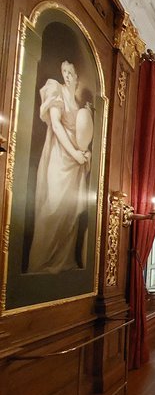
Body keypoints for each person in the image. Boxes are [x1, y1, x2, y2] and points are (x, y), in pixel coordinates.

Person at [28, 60, 93, 274]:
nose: (66, 75)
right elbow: (56, 125)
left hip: (75, 164)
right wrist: (74, 153)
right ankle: (39, 264)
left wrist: (85, 153)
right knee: (53, 208)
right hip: (60, 157)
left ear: (77, 76)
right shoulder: (55, 89)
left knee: (70, 212)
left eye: (70, 72)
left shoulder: (78, 104)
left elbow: (83, 138)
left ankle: (63, 262)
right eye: (64, 71)